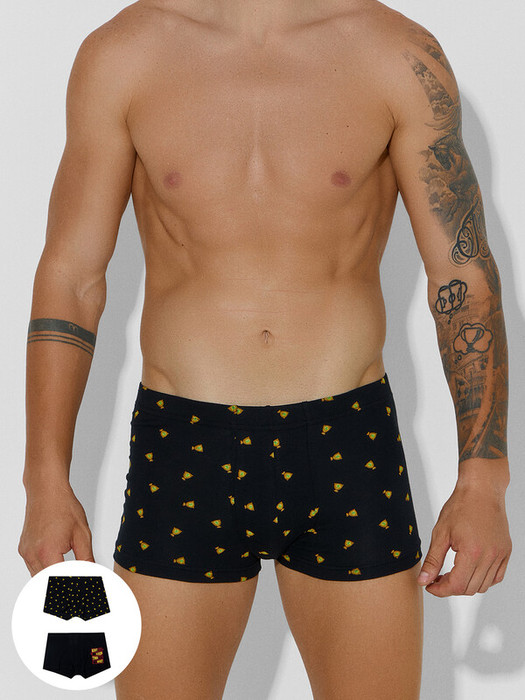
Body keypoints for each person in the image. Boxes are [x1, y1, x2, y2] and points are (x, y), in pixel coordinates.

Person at [18, 1, 512, 698]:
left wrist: (484, 479)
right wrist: (44, 479)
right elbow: (72, 278)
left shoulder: (395, 54)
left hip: (347, 440)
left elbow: (461, 276)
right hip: (185, 444)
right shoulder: (124, 54)